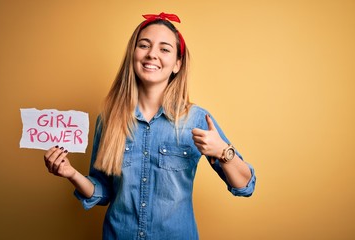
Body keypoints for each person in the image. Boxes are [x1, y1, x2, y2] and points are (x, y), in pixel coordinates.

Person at [43, 12, 256, 240]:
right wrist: (70, 173)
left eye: (164, 49)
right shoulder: (108, 119)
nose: (152, 54)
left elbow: (245, 186)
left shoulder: (196, 119)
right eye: (144, 45)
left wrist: (224, 152)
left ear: (177, 64)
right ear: (133, 55)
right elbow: (103, 191)